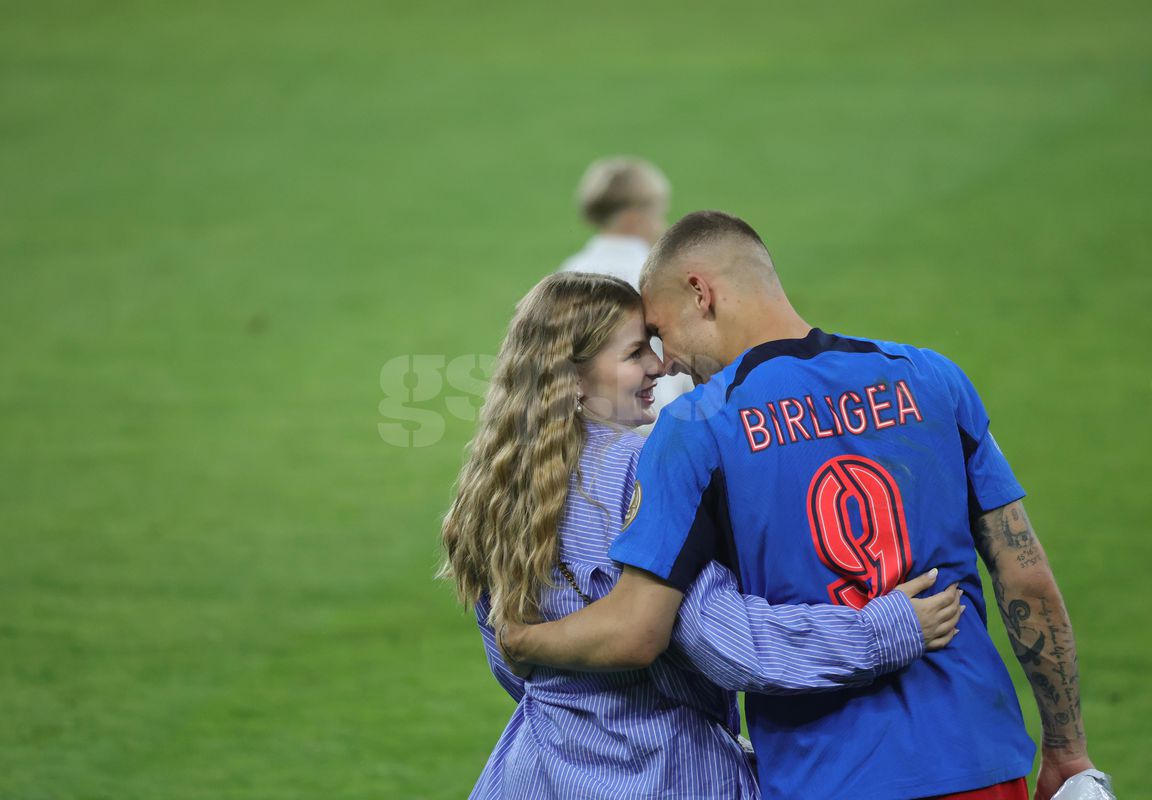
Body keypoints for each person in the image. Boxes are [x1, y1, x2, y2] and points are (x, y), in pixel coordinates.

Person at [502, 212, 1095, 800]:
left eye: (661, 333)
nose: (669, 361)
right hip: (977, 761)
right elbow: (1024, 574)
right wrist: (1067, 750)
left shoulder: (696, 426)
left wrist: (525, 641)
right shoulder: (932, 377)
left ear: (701, 294)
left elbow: (638, 627)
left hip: (823, 775)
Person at [440, 271, 963, 799]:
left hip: (533, 771)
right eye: (633, 354)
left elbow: (513, 664)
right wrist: (881, 632)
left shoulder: (495, 486)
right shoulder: (641, 465)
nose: (656, 366)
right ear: (572, 378)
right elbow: (723, 642)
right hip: (662, 772)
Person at [559, 156, 693, 417]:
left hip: (585, 415)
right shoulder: (658, 273)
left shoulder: (567, 271)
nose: (662, 225)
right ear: (634, 217)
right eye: (658, 215)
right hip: (653, 413)